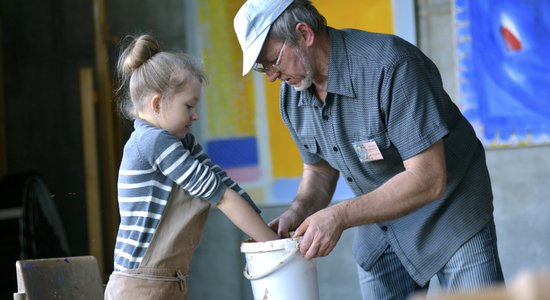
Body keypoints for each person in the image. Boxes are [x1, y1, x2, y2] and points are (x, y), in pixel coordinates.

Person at [233, 0, 504, 299]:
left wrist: (338, 216)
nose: (271, 76)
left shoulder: (392, 66)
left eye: (272, 60)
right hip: (381, 220)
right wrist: (298, 212)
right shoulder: (292, 96)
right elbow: (319, 169)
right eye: (262, 67)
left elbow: (429, 178)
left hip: (451, 209)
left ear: (304, 34)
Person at [103, 34, 278, 299]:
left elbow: (222, 183)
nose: (195, 115)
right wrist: (274, 246)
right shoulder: (152, 141)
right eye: (189, 106)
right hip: (139, 286)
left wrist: (266, 231)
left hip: (170, 281)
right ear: (157, 103)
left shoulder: (181, 141)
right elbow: (220, 197)